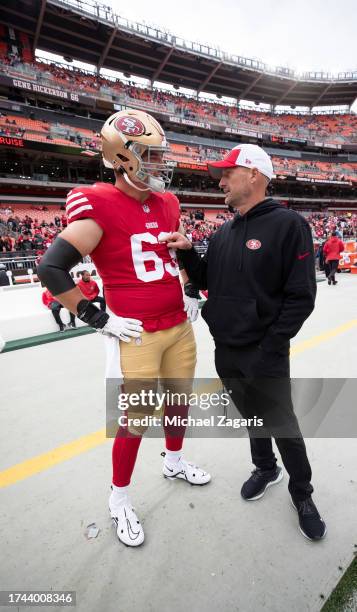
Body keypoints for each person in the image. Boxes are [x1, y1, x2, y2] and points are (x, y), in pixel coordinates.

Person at [37, 109, 210, 548]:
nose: (159, 163)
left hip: (179, 325)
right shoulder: (98, 203)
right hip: (136, 333)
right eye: (149, 154)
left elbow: (172, 256)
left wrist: (190, 288)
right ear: (123, 157)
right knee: (135, 420)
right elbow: (51, 269)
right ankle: (119, 498)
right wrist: (98, 317)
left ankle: (173, 460)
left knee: (179, 402)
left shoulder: (169, 203)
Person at [163, 144, 326, 541]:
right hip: (227, 350)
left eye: (226, 173)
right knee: (252, 417)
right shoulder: (224, 231)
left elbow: (301, 297)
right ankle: (265, 468)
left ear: (253, 174)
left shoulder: (289, 225)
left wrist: (270, 346)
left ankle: (301, 493)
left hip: (264, 353)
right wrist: (188, 254)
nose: (220, 181)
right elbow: (204, 281)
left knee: (282, 424)